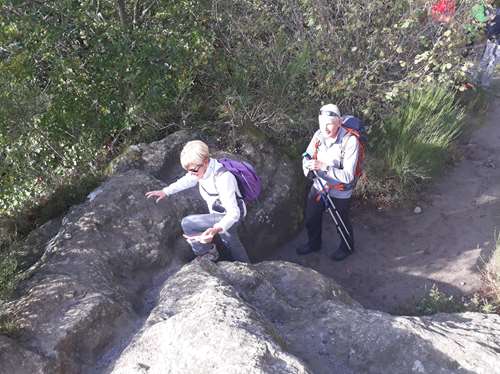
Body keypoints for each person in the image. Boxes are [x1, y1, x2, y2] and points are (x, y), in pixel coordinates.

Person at [145, 140, 250, 263]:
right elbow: (187, 180)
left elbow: (233, 214)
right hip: (218, 214)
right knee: (225, 238)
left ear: (205, 161)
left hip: (232, 214)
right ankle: (210, 253)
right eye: (188, 170)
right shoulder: (200, 170)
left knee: (227, 238)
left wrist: (215, 229)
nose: (191, 174)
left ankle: (245, 268)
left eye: (193, 170)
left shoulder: (223, 178)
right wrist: (165, 191)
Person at [297, 104, 359, 261]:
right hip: (319, 185)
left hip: (340, 190)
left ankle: (347, 247)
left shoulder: (350, 141)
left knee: (341, 220)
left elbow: (348, 176)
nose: (325, 128)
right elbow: (307, 155)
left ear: (339, 122)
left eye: (330, 123)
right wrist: (308, 168)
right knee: (311, 217)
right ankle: (314, 244)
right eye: (322, 123)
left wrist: (323, 167)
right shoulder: (318, 135)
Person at [475, 3, 500, 87]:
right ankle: (482, 82)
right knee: (491, 61)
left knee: (488, 60)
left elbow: (490, 22)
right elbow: (490, 22)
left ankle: (478, 80)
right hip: (494, 39)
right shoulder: (496, 11)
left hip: (492, 38)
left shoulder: (496, 10)